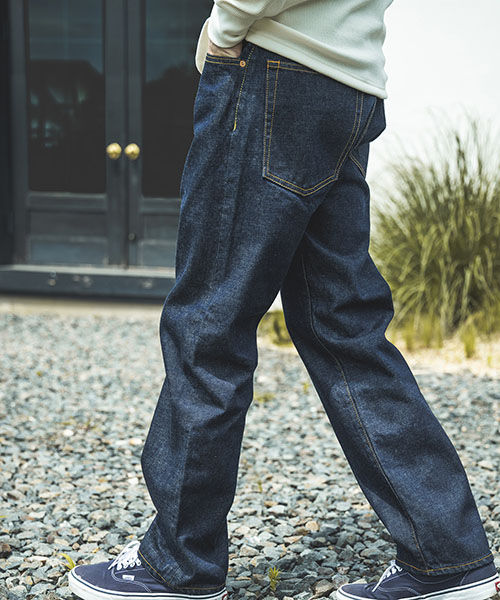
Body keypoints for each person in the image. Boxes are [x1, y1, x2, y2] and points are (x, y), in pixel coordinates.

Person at [68, 1, 499, 599]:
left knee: (209, 323)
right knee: (344, 331)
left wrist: (223, 30)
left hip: (271, 73)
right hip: (349, 86)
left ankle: (179, 565)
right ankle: (449, 558)